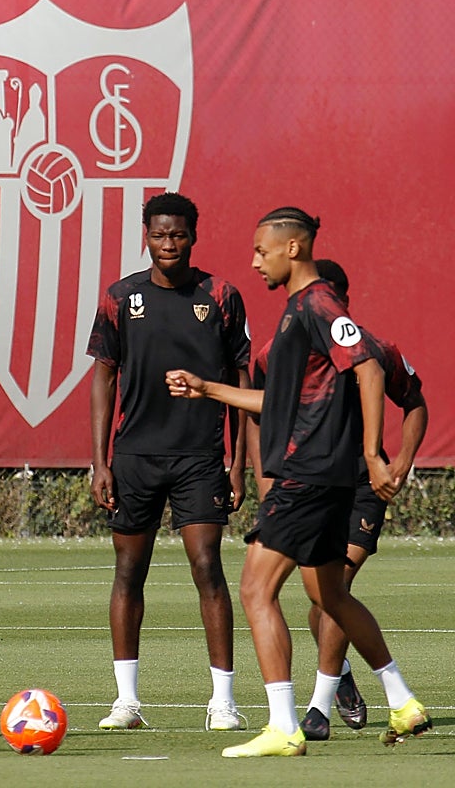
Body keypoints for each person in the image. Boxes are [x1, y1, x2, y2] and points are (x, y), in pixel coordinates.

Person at [167, 206, 431, 758]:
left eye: (261, 250)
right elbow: (275, 402)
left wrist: (374, 456)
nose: (253, 260)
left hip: (309, 476)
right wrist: (207, 389)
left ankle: (284, 725)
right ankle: (403, 701)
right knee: (328, 592)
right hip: (320, 478)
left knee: (255, 590)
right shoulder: (295, 315)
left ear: (294, 248)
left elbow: (370, 366)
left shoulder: (317, 303)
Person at [86, 192, 251, 732]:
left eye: (178, 234)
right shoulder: (119, 297)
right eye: (159, 234)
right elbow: (104, 378)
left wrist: (238, 464)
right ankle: (126, 702)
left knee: (207, 566)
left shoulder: (221, 296)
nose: (168, 244)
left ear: (193, 236)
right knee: (129, 570)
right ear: (145, 235)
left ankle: (222, 702)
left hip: (201, 457)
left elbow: (241, 383)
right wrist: (100, 461)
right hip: (134, 456)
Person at [245, 258, 428, 742]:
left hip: (358, 484)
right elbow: (262, 410)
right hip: (305, 480)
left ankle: (316, 710)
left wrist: (398, 461)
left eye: (338, 298)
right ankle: (390, 695)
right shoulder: (276, 351)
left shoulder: (372, 348)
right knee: (324, 595)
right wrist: (264, 479)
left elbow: (414, 401)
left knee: (319, 589)